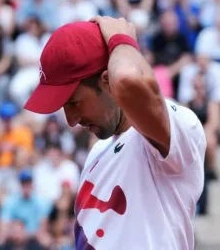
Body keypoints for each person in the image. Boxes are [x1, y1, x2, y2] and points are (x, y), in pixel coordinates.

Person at [23, 18, 206, 249]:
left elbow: (128, 80)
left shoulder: (179, 126)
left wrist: (121, 40)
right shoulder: (98, 152)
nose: (71, 121)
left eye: (74, 103)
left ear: (109, 82)